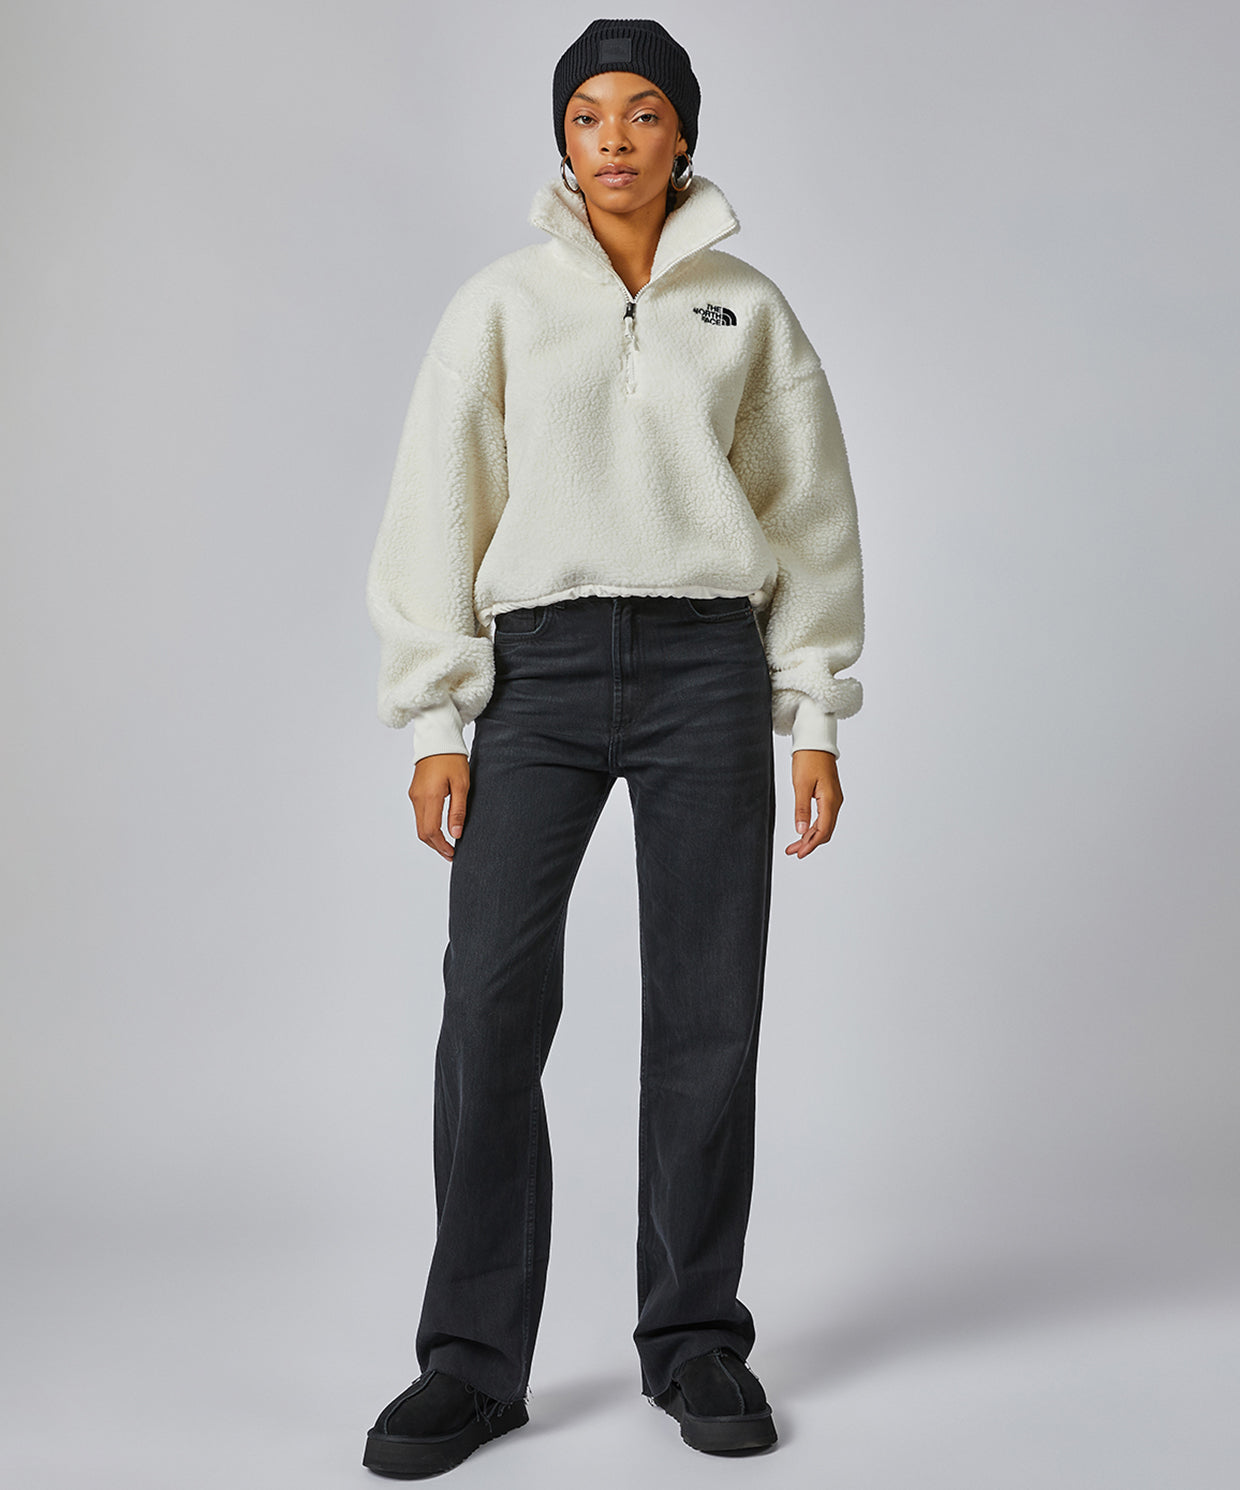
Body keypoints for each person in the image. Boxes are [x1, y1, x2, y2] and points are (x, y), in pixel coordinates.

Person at [360, 17, 865, 1478]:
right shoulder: (502, 306)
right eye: (590, 116)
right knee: (490, 1005)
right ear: (563, 140)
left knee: (708, 1011)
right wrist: (438, 716)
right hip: (541, 669)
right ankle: (471, 1362)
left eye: (645, 113)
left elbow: (810, 515)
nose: (617, 140)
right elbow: (439, 506)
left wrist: (813, 711)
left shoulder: (747, 312)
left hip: (710, 665)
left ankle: (695, 1335)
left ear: (684, 134)